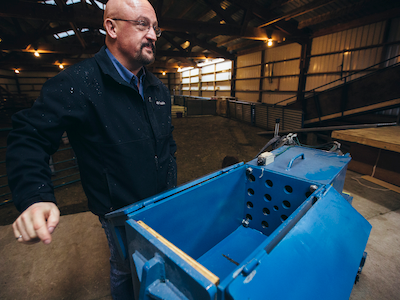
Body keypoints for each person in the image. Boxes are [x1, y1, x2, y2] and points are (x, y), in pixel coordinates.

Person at [6, 0, 177, 298]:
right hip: (119, 212)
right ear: (111, 27)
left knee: (157, 264)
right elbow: (29, 135)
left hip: (162, 202)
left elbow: (167, 142)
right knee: (125, 267)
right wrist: (34, 196)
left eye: (155, 28)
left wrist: (171, 180)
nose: (152, 35)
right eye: (141, 24)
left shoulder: (157, 88)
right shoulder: (78, 83)